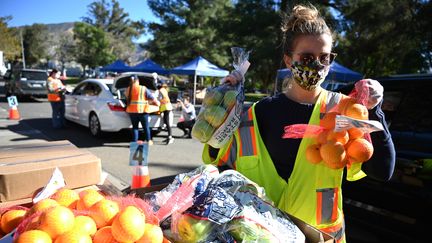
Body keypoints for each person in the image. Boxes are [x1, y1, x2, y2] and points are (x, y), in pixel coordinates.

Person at [202, 4, 395, 242]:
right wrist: (220, 112)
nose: (316, 64)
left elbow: (382, 170)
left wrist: (374, 110)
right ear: (287, 60)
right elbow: (220, 168)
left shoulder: (342, 110)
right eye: (307, 57)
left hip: (321, 237)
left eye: (325, 57)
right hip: (259, 237)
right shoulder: (254, 115)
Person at [125, 75, 160, 144]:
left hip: (132, 111)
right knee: (146, 127)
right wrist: (157, 103)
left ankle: (134, 142)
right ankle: (148, 141)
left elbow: (127, 98)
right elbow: (151, 98)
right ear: (138, 81)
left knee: (135, 127)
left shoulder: (128, 89)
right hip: (142, 111)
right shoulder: (143, 88)